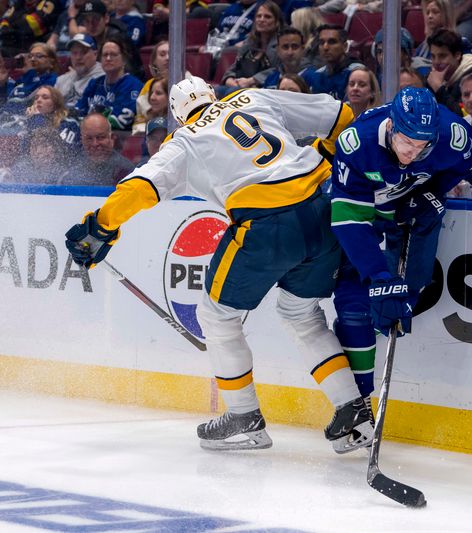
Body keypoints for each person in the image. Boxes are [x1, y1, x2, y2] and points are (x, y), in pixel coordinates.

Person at [64, 78, 373, 452]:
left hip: (266, 227)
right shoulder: (253, 97)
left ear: (178, 115)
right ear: (212, 95)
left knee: (216, 317)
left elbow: (141, 188)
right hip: (321, 214)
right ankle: (353, 412)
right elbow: (341, 115)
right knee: (301, 314)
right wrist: (324, 160)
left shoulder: (184, 139)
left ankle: (245, 417)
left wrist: (101, 226)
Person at [329, 87, 472, 446]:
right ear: (391, 125)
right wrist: (377, 275)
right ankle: (361, 408)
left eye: (423, 146)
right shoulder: (357, 143)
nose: (413, 153)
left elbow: (468, 158)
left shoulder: (453, 136)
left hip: (412, 215)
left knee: (399, 304)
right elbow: (349, 218)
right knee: (354, 305)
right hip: (368, 214)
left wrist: (431, 192)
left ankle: (403, 298)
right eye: (407, 143)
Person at [75, 38, 143, 130]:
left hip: (117, 138)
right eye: (105, 55)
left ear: (124, 59)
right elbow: (78, 111)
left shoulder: (133, 85)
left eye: (113, 55)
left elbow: (119, 120)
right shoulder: (94, 83)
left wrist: (88, 123)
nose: (108, 58)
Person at [425, 29, 472, 116]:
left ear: (457, 55)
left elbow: (464, 117)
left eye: (442, 56)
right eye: (433, 56)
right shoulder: (433, 76)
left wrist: (439, 89)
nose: (436, 62)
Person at [221, 1, 282, 89]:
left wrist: (252, 80)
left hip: (263, 88)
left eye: (267, 17)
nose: (261, 19)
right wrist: (229, 79)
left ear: (277, 22)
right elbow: (234, 66)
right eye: (259, 16)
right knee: (215, 91)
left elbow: (278, 70)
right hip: (240, 85)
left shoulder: (281, 43)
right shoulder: (248, 42)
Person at [63, 112, 135, 185]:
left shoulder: (126, 171)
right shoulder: (72, 167)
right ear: (82, 140)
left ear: (112, 138)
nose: (95, 144)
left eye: (101, 137)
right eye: (89, 138)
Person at [301, 24, 364, 99]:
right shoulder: (318, 74)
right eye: (321, 42)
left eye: (332, 42)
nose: (325, 47)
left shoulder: (357, 72)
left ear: (345, 46)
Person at [55, 33, 104, 107]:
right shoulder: (61, 80)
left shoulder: (103, 78)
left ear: (95, 54)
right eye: (74, 53)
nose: (78, 57)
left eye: (83, 52)